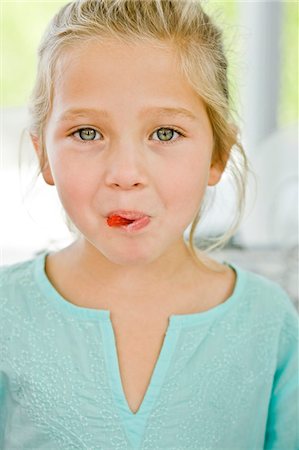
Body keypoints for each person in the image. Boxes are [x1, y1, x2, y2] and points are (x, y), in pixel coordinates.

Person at [0, 1, 298, 449]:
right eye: (87, 133)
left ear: (218, 154)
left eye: (165, 133)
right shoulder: (7, 313)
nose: (125, 172)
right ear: (43, 153)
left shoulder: (269, 323)